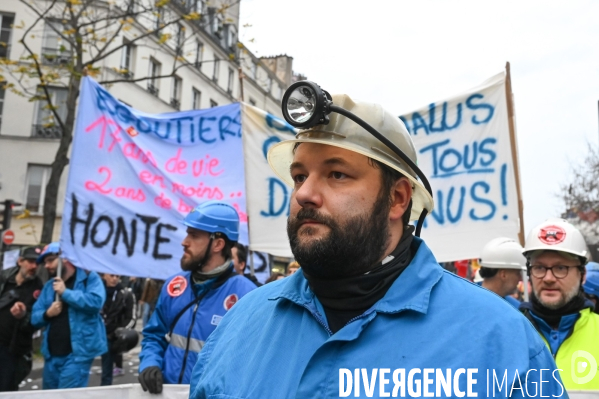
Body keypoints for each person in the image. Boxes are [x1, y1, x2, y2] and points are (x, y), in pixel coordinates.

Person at [188, 92, 563, 398]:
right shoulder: (241, 323)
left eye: (337, 174)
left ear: (398, 199)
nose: (304, 193)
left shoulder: (503, 342)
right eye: (299, 175)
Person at [138, 201, 257, 394]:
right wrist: (150, 364)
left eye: (193, 236)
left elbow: (249, 362)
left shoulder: (247, 296)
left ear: (218, 243)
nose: (184, 242)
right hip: (165, 393)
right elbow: (154, 335)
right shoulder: (174, 285)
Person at [520, 218, 599, 389]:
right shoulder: (508, 333)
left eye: (560, 268)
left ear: (582, 274)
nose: (548, 278)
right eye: (539, 267)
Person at [31, 242, 107, 390]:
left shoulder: (89, 278)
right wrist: (47, 314)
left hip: (77, 354)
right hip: (52, 354)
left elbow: (96, 302)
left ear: (65, 258)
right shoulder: (49, 286)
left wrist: (66, 293)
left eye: (50, 260)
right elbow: (34, 316)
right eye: (45, 262)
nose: (46, 266)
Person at [0, 246, 44, 392]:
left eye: (37, 263)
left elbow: (36, 321)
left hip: (13, 349)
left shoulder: (38, 288)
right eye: (30, 262)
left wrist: (24, 315)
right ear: (20, 261)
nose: (34, 266)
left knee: (6, 389)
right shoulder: (4, 279)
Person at [100, 274, 135, 386]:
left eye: (117, 276)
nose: (115, 278)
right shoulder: (96, 292)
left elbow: (131, 318)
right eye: (111, 276)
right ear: (104, 276)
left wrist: (121, 331)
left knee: (106, 372)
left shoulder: (126, 294)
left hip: (112, 336)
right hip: (95, 334)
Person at [479, 237, 526, 308]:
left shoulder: (517, 308)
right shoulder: (514, 309)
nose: (521, 279)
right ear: (503, 274)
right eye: (518, 273)